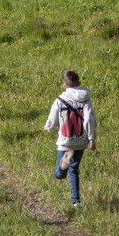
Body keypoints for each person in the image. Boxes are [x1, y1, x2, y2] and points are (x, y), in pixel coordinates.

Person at [43, 70, 97, 207]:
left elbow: (53, 116)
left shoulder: (60, 100)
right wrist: (91, 139)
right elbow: (89, 121)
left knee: (59, 174)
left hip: (65, 141)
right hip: (81, 141)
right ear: (79, 83)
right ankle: (76, 201)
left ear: (64, 86)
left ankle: (63, 166)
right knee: (74, 169)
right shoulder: (86, 100)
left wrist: (49, 127)